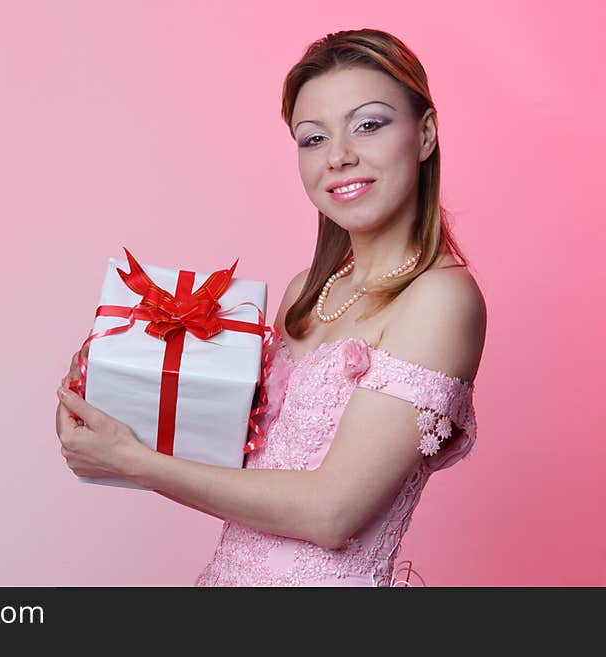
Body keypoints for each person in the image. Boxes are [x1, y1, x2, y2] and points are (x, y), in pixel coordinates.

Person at [54, 28, 486, 586]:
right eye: (312, 138)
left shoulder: (441, 298)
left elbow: (333, 513)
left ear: (424, 134)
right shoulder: (307, 292)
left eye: (369, 124)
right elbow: (240, 468)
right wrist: (111, 394)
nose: (339, 157)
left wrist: (131, 462)